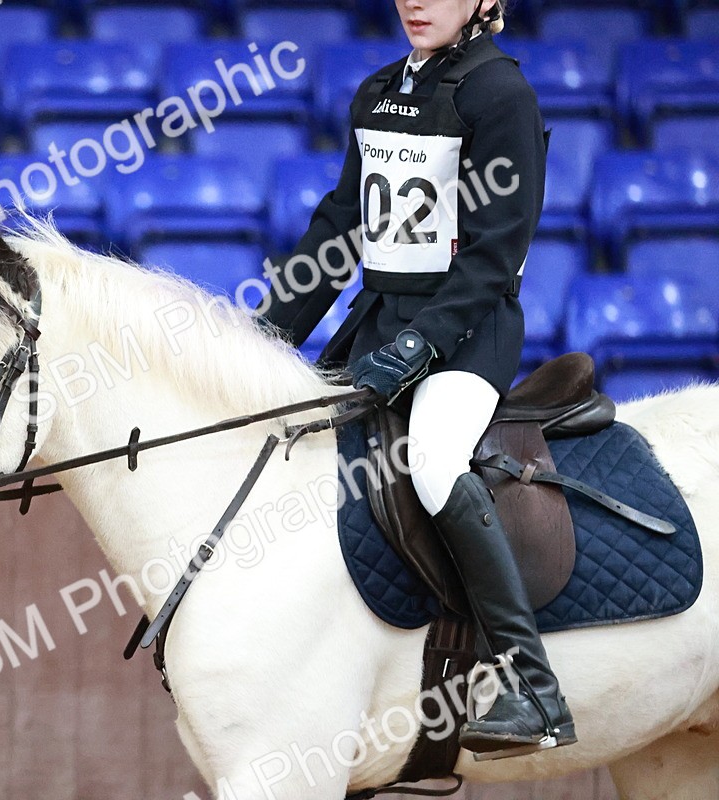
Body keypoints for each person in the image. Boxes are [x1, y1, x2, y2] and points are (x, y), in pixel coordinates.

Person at [259, 0, 575, 757]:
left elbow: (495, 256)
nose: (415, 1)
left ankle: (534, 686)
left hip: (467, 334)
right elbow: (340, 227)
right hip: (377, 327)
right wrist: (263, 336)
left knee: (432, 461)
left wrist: (421, 343)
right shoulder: (377, 91)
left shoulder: (502, 95)